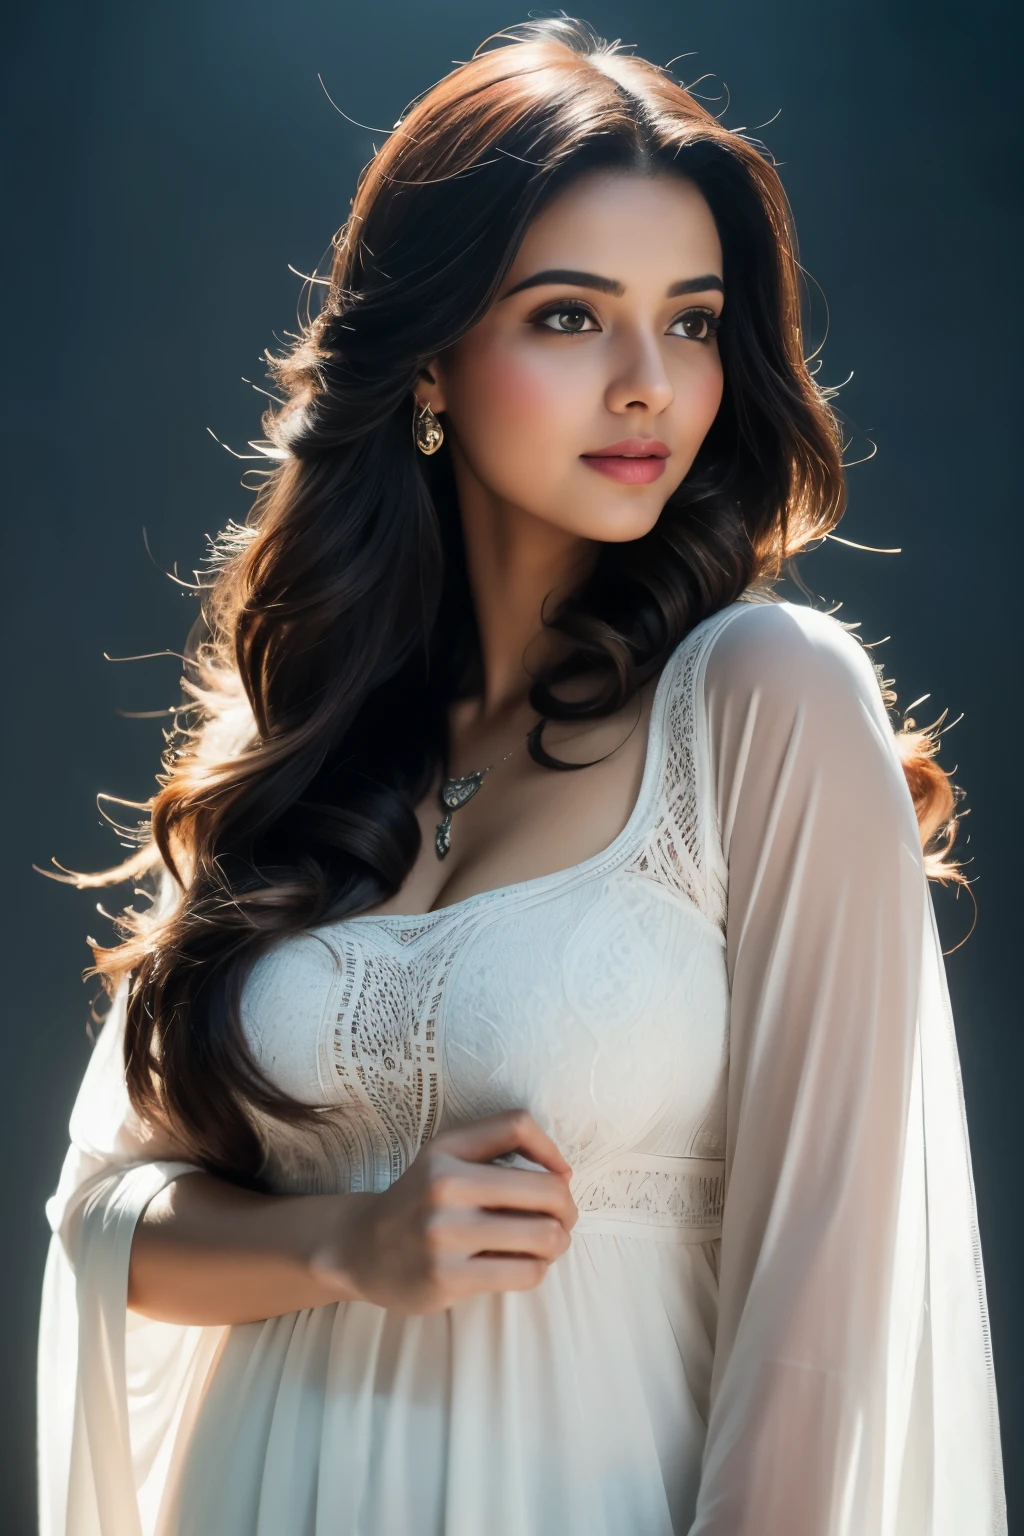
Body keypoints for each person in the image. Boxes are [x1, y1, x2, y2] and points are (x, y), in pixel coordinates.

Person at [37, 17, 1005, 1536]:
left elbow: (826, 1302)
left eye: (691, 322)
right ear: (429, 354)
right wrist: (351, 1244)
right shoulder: (308, 749)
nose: (648, 385)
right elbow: (107, 1213)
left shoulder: (768, 699)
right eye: (570, 318)